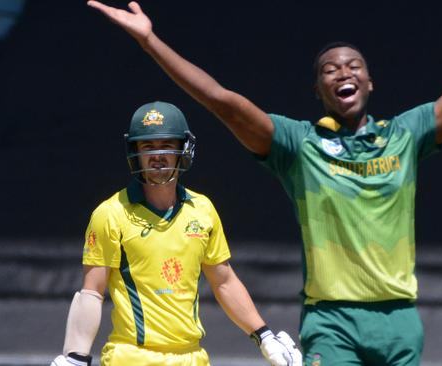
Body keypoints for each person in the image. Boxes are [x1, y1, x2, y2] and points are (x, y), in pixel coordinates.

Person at [87, 0, 442, 364]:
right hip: (331, 324)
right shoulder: (298, 146)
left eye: (353, 65)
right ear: (319, 89)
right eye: (330, 69)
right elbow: (222, 101)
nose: (342, 72)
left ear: (369, 81)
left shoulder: (407, 134)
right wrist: (151, 41)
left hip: (400, 321)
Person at [51, 101, 301, 366]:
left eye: (167, 146)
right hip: (131, 357)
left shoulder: (202, 209)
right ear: (134, 152)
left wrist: (264, 336)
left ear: (184, 150)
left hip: (192, 358)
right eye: (148, 147)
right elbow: (92, 291)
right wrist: (75, 356)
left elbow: (224, 281)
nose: (157, 155)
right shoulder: (110, 213)